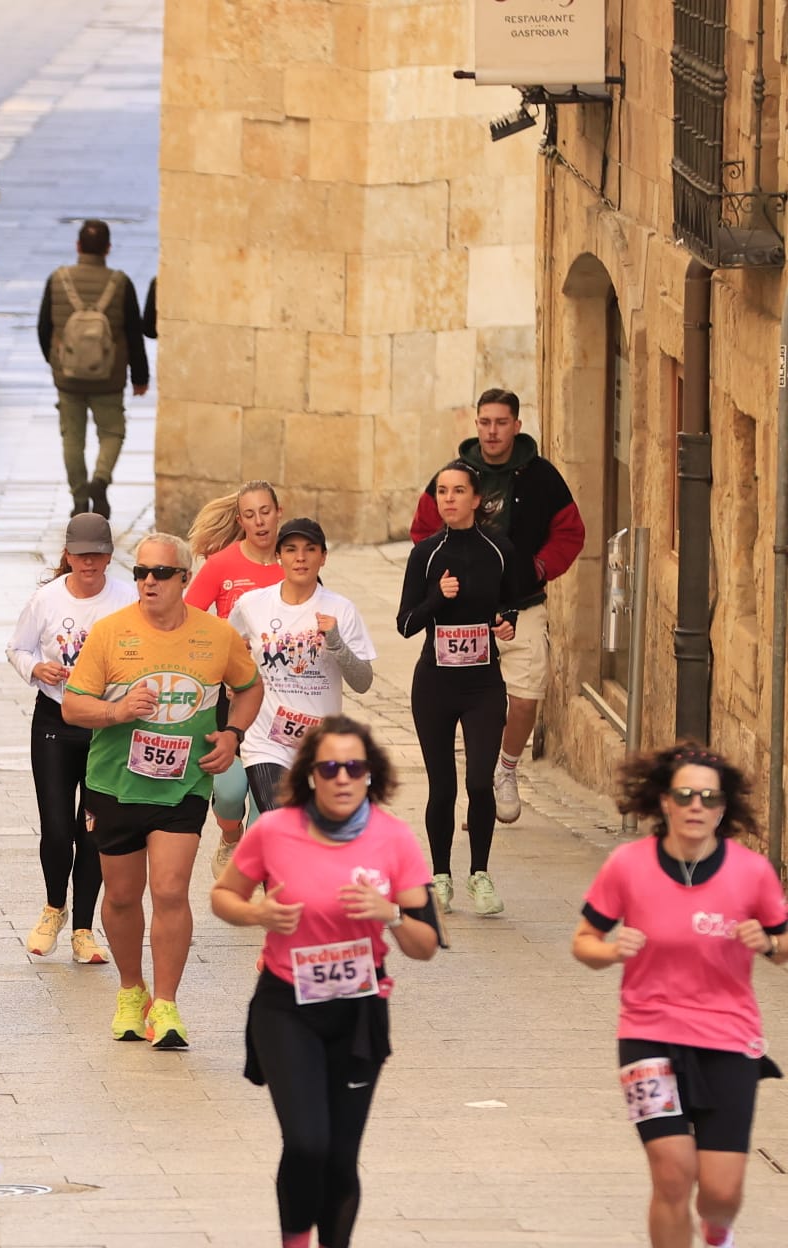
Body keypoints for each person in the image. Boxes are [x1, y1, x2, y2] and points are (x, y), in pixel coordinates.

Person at [210, 717, 441, 1248]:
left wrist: (390, 913)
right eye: (329, 767)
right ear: (310, 774)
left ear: (370, 776)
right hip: (286, 1006)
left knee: (340, 1156)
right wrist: (258, 914)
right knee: (308, 1142)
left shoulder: (395, 840)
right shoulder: (274, 830)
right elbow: (223, 896)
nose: (342, 778)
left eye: (354, 767)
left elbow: (426, 943)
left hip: (359, 1010)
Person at [574, 744, 788, 1248]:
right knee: (672, 1174)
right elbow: (582, 942)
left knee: (720, 1191)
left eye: (709, 798)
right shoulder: (628, 866)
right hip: (647, 1035)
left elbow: (785, 944)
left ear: (724, 808)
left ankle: (718, 1230)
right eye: (685, 794)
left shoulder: (751, 872)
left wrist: (771, 943)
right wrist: (609, 951)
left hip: (729, 1038)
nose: (697, 806)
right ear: (664, 801)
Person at [62, 531, 261, 1049]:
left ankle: (167, 1006)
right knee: (124, 897)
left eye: (161, 573)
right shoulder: (109, 633)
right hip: (114, 784)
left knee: (170, 890)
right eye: (141, 573)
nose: (148, 582)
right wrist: (116, 711)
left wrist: (233, 735)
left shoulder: (216, 635)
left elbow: (249, 686)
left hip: (184, 784)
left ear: (183, 579)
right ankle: (132, 991)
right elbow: (72, 705)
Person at [409, 388, 585, 825]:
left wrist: (541, 567)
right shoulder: (453, 476)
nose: (492, 431)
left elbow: (571, 531)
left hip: (522, 606)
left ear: (516, 426)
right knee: (469, 702)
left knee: (525, 698)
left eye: (501, 423)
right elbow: (423, 529)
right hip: (462, 617)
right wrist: (440, 574)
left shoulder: (543, 477)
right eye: (485, 422)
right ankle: (479, 787)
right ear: (476, 425)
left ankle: (505, 771)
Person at [398, 461, 531, 918]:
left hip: (483, 686)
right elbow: (405, 623)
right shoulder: (426, 555)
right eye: (442, 491)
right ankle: (440, 877)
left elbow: (514, 600)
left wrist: (506, 621)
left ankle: (480, 874)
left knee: (479, 780)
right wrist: (438, 597)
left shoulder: (499, 549)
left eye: (458, 491)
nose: (449, 499)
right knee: (443, 785)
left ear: (477, 499)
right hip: (434, 685)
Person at [4, 513, 135, 963]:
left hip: (106, 726)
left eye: (97, 554)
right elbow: (17, 648)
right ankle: (53, 907)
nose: (89, 563)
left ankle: (83, 928)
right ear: (67, 556)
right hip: (55, 721)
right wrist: (36, 669)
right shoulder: (45, 600)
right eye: (80, 555)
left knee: (92, 832)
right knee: (58, 827)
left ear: (110, 556)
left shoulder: (127, 600)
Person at [228, 518, 376, 818]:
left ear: (323, 557)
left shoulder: (341, 609)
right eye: (291, 549)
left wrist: (335, 642)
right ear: (278, 556)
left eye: (310, 549)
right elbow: (226, 648)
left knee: (321, 831)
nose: (300, 557)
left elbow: (363, 681)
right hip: (266, 740)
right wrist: (236, 681)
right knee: (283, 822)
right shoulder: (251, 604)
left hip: (322, 743)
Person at [186, 481, 286, 874]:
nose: (259, 521)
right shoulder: (222, 565)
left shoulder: (292, 560)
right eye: (250, 514)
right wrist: (220, 653)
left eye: (265, 511)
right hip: (233, 699)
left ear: (279, 512)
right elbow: (189, 620)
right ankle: (230, 837)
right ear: (240, 520)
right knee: (229, 795)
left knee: (268, 806)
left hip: (280, 702)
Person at [36, 218, 149, 520]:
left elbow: (44, 327)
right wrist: (140, 377)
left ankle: (79, 498)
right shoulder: (121, 283)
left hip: (68, 378)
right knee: (112, 432)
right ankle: (100, 481)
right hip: (108, 379)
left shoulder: (57, 279)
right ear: (108, 249)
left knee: (72, 438)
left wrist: (58, 364)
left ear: (78, 246)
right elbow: (134, 333)